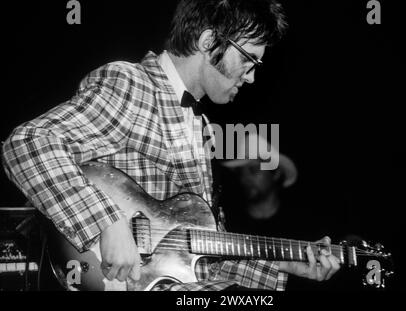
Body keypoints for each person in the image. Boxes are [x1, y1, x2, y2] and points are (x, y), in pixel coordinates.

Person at [1, 0, 340, 290]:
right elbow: (28, 143)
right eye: (248, 59)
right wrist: (106, 223)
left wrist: (285, 266)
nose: (251, 76)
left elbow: (193, 256)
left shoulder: (201, 125)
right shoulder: (132, 84)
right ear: (209, 41)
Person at [221, 132, 298, 236]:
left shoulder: (298, 221)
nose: (245, 178)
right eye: (241, 173)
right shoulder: (228, 222)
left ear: (275, 173)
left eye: (254, 170)